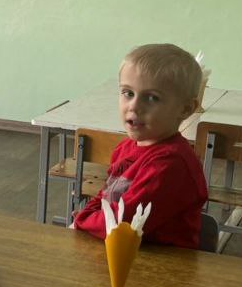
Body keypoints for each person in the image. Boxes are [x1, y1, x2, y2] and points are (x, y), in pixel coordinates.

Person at [73, 44, 209, 249]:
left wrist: (83, 221)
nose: (134, 106)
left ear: (185, 109)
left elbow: (122, 224)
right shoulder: (126, 148)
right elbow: (106, 197)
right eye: (128, 93)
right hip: (122, 251)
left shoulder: (171, 164)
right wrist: (85, 217)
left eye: (152, 97)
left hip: (163, 263)